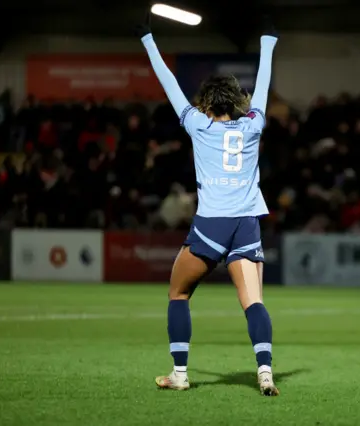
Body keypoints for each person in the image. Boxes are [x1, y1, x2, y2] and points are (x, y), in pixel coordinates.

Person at [136, 14, 280, 395]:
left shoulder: (198, 125)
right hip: (246, 224)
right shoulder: (253, 126)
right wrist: (268, 43)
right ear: (237, 102)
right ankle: (265, 372)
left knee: (178, 293)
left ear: (205, 104)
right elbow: (262, 86)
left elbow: (168, 83)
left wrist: (148, 40)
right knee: (254, 303)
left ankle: (180, 375)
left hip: (211, 224)